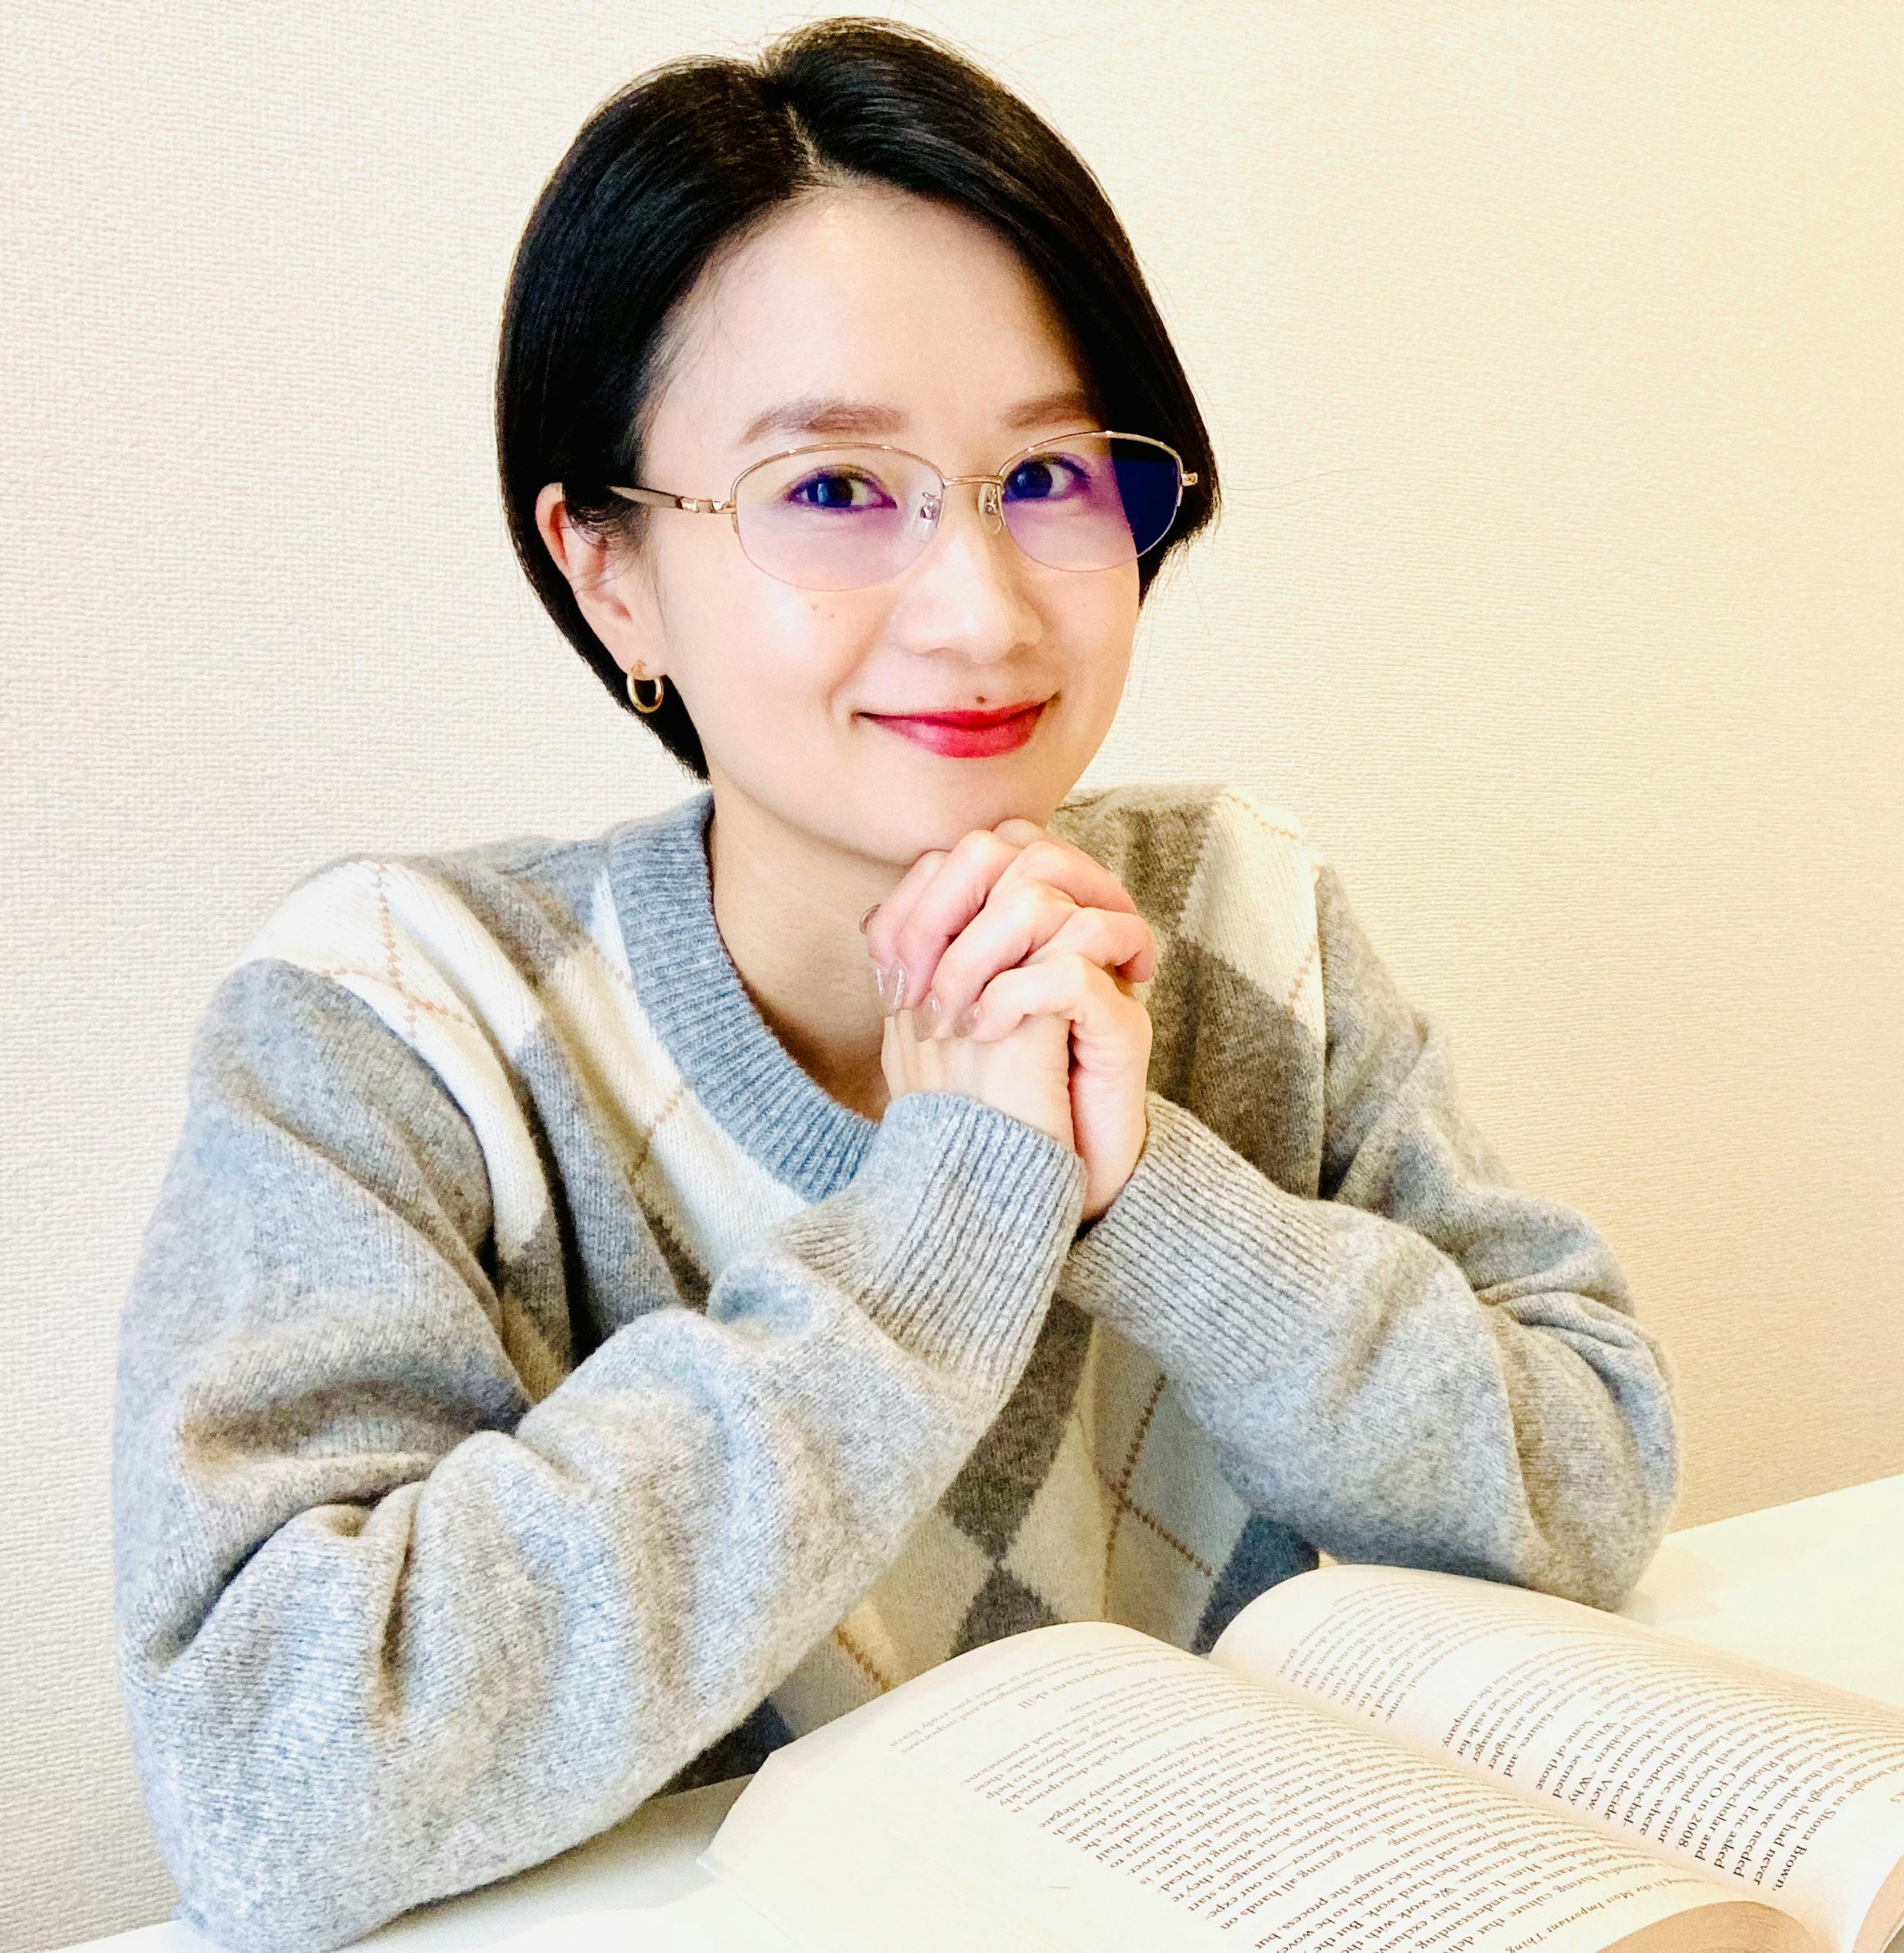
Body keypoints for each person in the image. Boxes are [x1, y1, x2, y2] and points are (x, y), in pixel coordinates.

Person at [109, 18, 1680, 1953]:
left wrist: (1157, 1195)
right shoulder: (399, 1029)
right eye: (837, 492)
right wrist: (947, 1222)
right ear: (607, 568)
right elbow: (269, 1791)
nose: (983, 607)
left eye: (1050, 474)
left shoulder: (1239, 915)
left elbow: (1592, 1481)